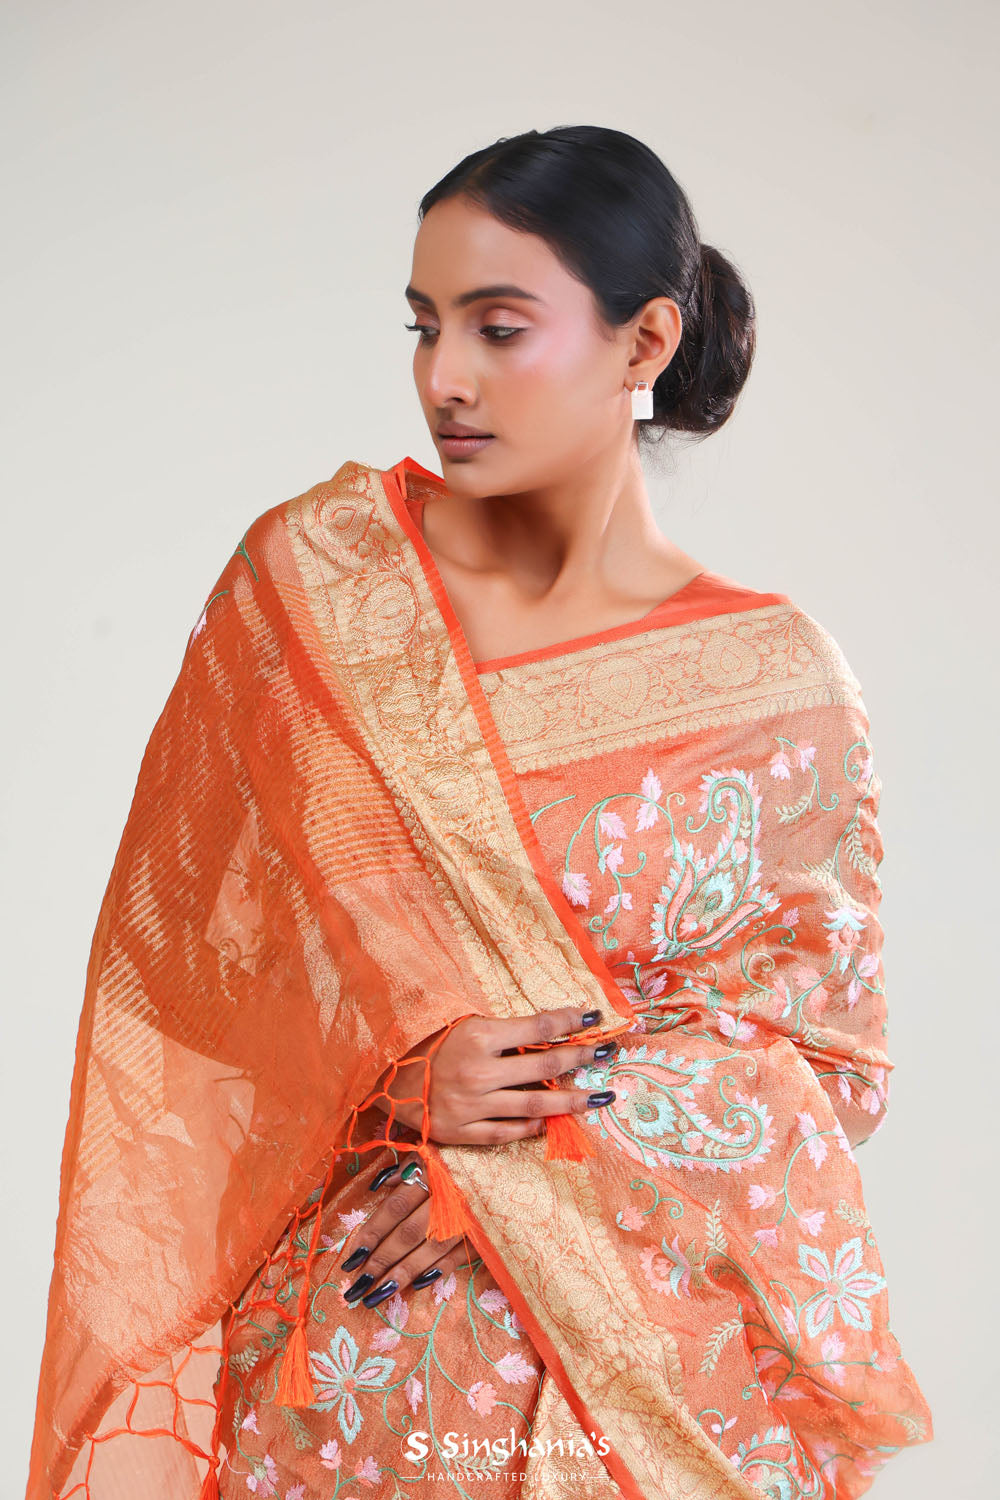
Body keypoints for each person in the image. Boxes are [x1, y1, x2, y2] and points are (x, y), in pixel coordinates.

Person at [24, 125, 932, 1500]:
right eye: (425, 326)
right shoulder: (322, 590)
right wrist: (399, 1073)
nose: (444, 378)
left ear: (644, 343)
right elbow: (191, 976)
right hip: (359, 1383)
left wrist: (536, 1140)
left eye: (500, 329)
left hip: (657, 1391)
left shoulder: (775, 682)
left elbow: (824, 1061)